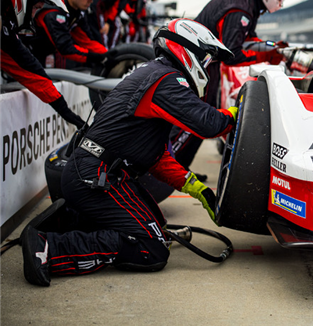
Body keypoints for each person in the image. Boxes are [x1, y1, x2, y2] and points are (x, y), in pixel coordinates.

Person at [21, 18, 239, 286]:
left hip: (96, 173)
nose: (207, 68)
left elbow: (154, 156)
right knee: (152, 249)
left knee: (158, 227)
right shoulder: (167, 79)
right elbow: (209, 124)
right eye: (205, 60)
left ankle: (70, 220)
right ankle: (49, 248)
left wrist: (194, 187)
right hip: (95, 176)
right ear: (188, 50)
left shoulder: (155, 74)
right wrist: (240, 112)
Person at [170, 0, 292, 171]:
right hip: (197, 64)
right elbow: (231, 54)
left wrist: (271, 46)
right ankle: (171, 168)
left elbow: (248, 39)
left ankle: (179, 168)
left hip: (201, 63)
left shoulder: (246, 1)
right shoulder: (241, 10)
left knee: (199, 116)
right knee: (197, 118)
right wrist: (265, 56)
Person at [0, 0, 85, 127]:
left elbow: (28, 66)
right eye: (36, 8)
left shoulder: (5, 15)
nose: (33, 14)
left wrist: (65, 110)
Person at [21, 0, 107, 67]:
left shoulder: (77, 12)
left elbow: (87, 41)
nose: (91, 1)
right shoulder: (54, 11)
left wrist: (107, 54)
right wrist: (95, 57)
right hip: (24, 52)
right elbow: (65, 48)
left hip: (41, 53)